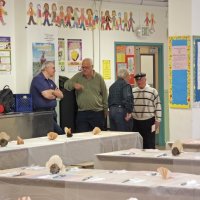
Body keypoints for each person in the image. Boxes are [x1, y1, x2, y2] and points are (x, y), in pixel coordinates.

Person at [64, 58, 108, 133]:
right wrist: (74, 84)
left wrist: (105, 111)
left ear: (92, 67)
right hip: (82, 113)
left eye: (86, 67)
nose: (84, 69)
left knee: (98, 137)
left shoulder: (99, 78)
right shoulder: (78, 76)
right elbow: (66, 84)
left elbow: (105, 95)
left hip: (97, 113)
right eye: (83, 67)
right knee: (82, 137)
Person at [30, 61, 64, 135]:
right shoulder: (38, 79)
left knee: (54, 136)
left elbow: (61, 95)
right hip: (42, 113)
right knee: (60, 133)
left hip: (52, 112)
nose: (54, 70)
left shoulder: (50, 82)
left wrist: (52, 92)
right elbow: (47, 95)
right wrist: (54, 93)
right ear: (46, 68)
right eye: (53, 68)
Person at [132, 72, 162, 149]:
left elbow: (158, 106)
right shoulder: (133, 91)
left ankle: (151, 160)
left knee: (150, 143)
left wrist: (158, 120)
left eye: (141, 80)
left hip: (149, 121)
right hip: (136, 122)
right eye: (137, 80)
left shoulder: (153, 91)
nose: (139, 82)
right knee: (137, 144)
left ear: (145, 79)